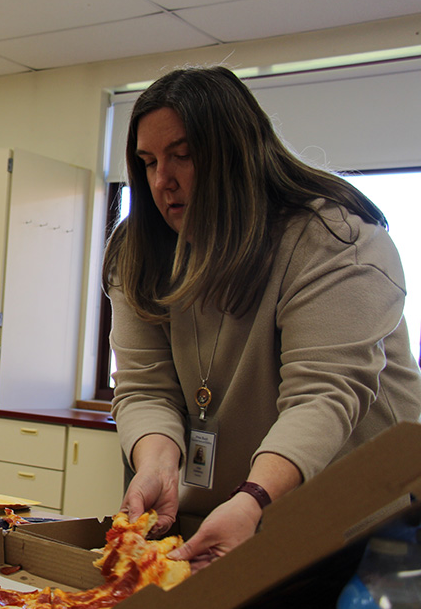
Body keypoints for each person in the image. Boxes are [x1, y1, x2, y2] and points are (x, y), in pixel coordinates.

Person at [102, 66, 421, 572]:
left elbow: (322, 396)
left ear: (238, 155)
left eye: (184, 156)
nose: (163, 180)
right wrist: (158, 462)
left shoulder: (336, 240)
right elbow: (144, 387)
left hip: (363, 529)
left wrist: (254, 497)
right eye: (148, 162)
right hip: (236, 516)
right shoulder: (138, 251)